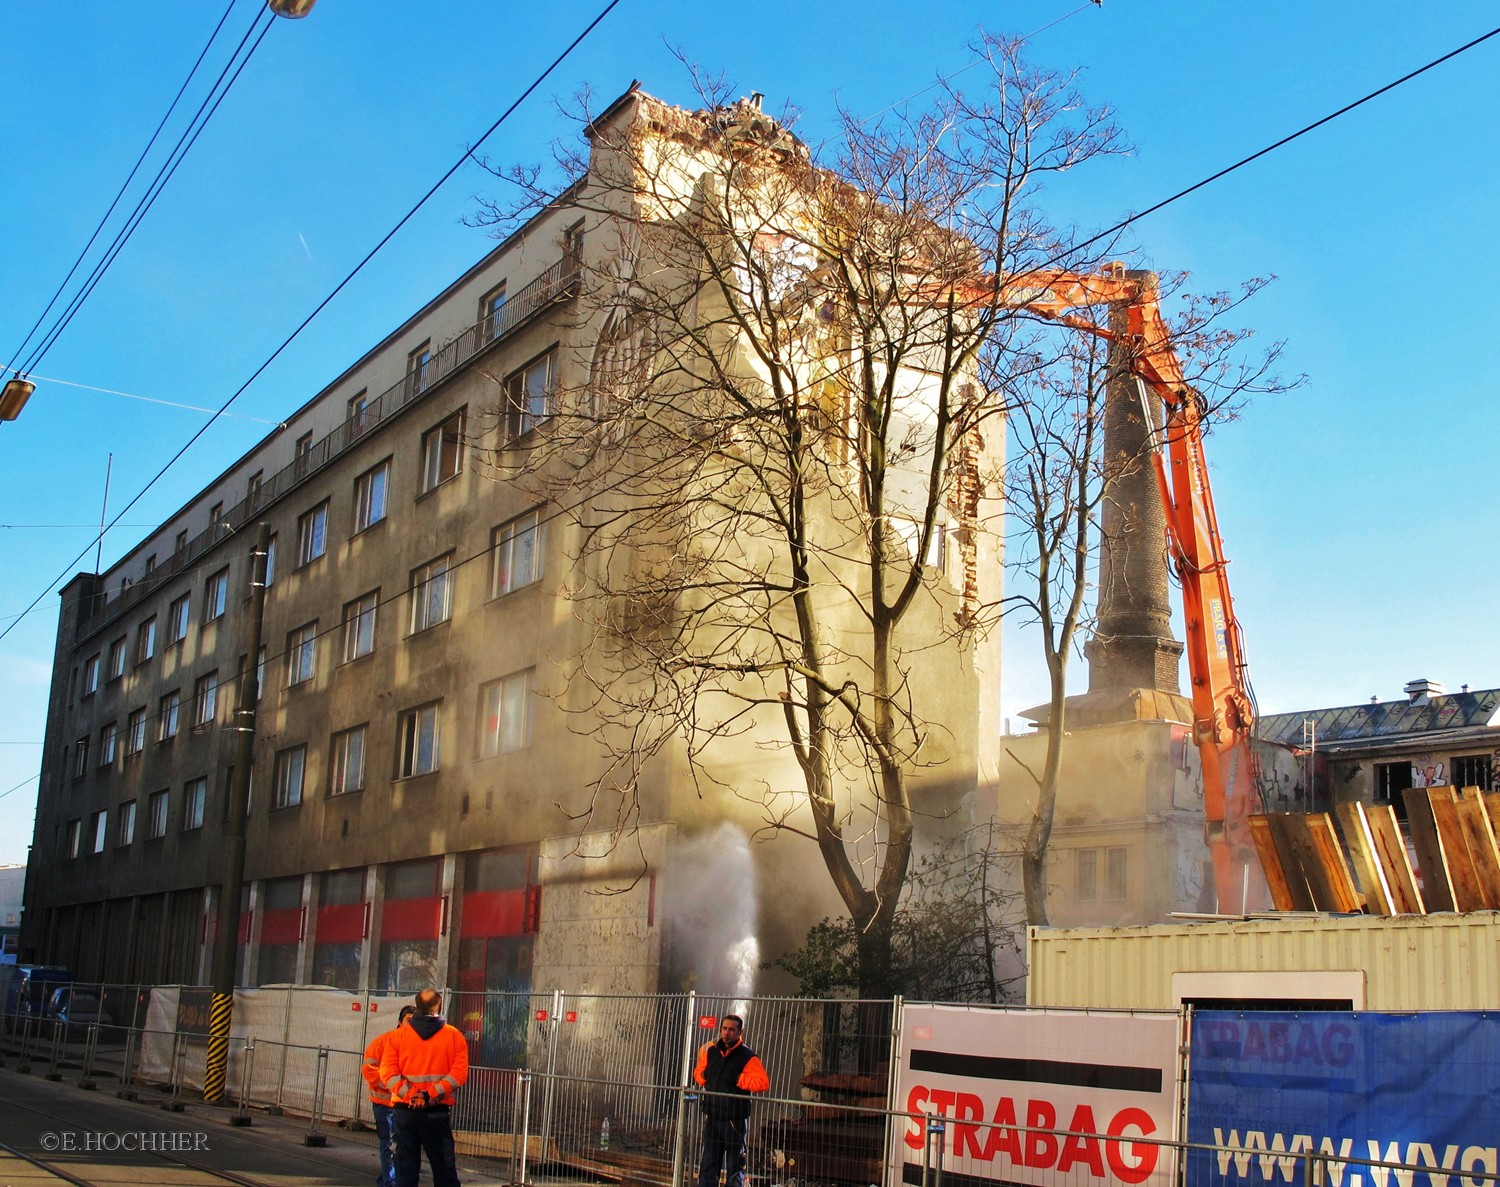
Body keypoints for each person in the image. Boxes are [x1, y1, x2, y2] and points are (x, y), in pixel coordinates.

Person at [380, 988, 469, 1187]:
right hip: (436, 1113)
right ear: (440, 1006)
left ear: (417, 1006)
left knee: (405, 1173)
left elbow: (388, 1074)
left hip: (405, 1113)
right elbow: (459, 1075)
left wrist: (411, 1095)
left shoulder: (397, 1037)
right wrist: (430, 1095)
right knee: (445, 1172)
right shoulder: (454, 1037)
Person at [693, 1014, 770, 1187]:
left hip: (733, 1118)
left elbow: (762, 1082)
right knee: (709, 1163)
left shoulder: (747, 1056)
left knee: (735, 1166)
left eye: (731, 1029)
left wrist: (738, 1079)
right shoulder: (711, 1051)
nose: (727, 1033)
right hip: (713, 1115)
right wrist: (705, 1076)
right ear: (720, 1030)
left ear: (739, 1032)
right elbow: (698, 1072)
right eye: (724, 1028)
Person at [362, 1004, 416, 1187]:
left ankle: (386, 1180)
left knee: (396, 1146)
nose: (411, 1025)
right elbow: (369, 1069)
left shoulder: (415, 1045)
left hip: (403, 1105)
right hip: (385, 1104)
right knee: (390, 1144)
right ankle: (390, 1182)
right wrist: (391, 1085)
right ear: (400, 1022)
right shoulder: (384, 1042)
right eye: (408, 1020)